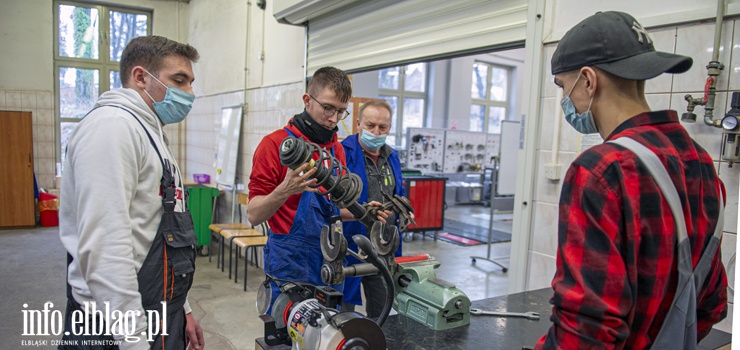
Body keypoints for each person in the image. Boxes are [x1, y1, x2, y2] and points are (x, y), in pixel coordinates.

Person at [535, 11, 727, 349]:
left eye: (563, 87)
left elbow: (587, 329)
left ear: (588, 80)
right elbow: (710, 303)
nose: (565, 100)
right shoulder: (702, 164)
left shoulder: (600, 170)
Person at [59, 36, 204, 350]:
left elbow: (154, 227)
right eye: (179, 80)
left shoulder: (150, 132)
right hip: (111, 328)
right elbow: (105, 248)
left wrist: (183, 310)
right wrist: (134, 341)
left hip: (158, 311)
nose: (189, 93)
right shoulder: (113, 129)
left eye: (191, 82)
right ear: (140, 77)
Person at [247, 67, 388, 306]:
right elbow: (253, 214)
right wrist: (285, 189)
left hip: (330, 259)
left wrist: (363, 211)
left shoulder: (337, 150)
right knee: (285, 337)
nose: (333, 118)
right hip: (289, 263)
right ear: (307, 100)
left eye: (341, 111)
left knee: (328, 336)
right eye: (328, 108)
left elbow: (328, 209)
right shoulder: (274, 145)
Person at [339, 100, 406, 319]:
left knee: (382, 310)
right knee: (343, 313)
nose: (376, 132)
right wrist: (360, 213)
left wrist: (405, 209)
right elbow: (328, 203)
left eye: (382, 127)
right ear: (358, 124)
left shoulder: (392, 157)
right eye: (370, 125)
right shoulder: (342, 153)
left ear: (389, 128)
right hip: (350, 246)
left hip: (384, 247)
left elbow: (399, 192)